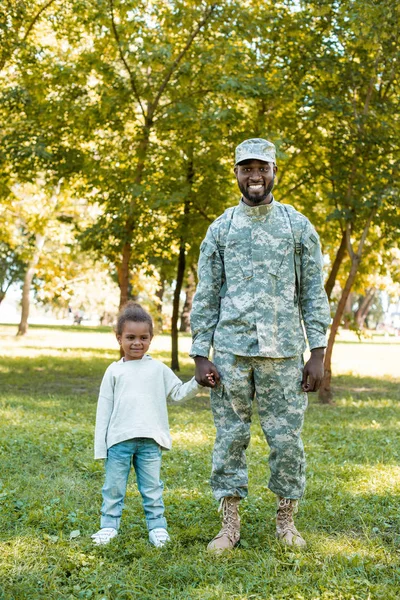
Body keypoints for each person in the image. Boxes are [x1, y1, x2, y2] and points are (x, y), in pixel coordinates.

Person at [190, 138, 330, 552]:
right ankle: (229, 524)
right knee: (230, 438)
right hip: (231, 353)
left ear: (273, 171)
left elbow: (313, 292)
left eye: (262, 168)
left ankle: (286, 522)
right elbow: (207, 294)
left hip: (284, 354)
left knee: (286, 440)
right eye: (246, 168)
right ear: (235, 173)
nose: (255, 176)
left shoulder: (296, 225)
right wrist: (201, 354)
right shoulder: (222, 228)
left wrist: (317, 353)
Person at [92, 302, 206, 547]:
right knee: (113, 488)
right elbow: (104, 410)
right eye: (130, 337)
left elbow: (177, 392)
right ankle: (108, 526)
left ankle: (157, 528)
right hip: (119, 442)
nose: (137, 343)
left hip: (150, 442)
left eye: (143, 337)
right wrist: (101, 448)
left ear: (151, 339)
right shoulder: (113, 371)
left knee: (152, 488)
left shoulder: (158, 369)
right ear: (119, 338)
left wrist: (198, 382)